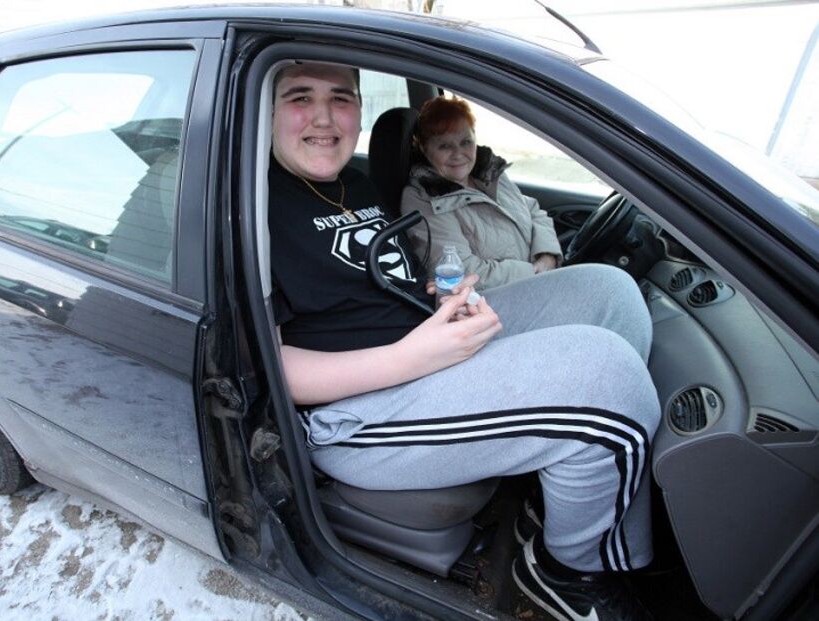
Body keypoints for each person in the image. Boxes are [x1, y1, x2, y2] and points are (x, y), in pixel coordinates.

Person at [267, 61, 660, 621]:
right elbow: (273, 365)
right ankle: (572, 570)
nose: (325, 118)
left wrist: (439, 299)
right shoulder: (251, 206)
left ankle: (563, 496)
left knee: (608, 292)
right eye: (300, 97)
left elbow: (370, 282)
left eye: (343, 98)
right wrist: (412, 356)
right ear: (268, 110)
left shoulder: (352, 183)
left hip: (424, 343)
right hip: (356, 412)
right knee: (607, 379)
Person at [402, 96, 562, 290]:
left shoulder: (490, 174)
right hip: (489, 303)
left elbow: (533, 209)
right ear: (425, 149)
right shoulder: (423, 198)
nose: (458, 153)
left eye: (466, 142)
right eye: (444, 145)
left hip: (540, 282)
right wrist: (535, 272)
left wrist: (547, 255)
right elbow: (460, 272)